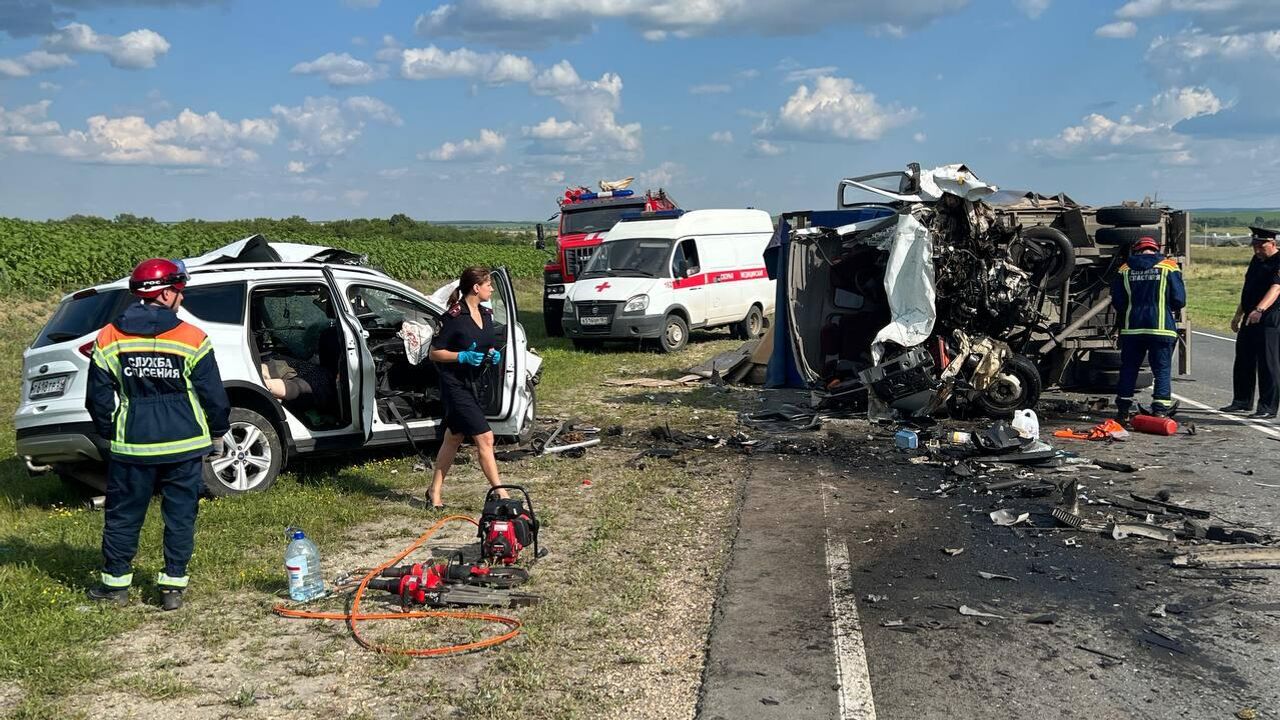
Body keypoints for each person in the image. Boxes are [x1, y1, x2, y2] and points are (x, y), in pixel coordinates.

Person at [85, 258, 231, 610]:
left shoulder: (109, 336)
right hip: (185, 444)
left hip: (132, 444)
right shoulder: (193, 337)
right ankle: (172, 589)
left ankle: (116, 586)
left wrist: (112, 430)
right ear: (166, 294)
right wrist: (218, 429)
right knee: (179, 516)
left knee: (123, 516)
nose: (181, 297)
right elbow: (212, 393)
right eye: (180, 291)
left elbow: (98, 398)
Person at [426, 267, 507, 509]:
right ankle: (501, 493)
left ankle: (434, 492)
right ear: (476, 287)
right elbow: (434, 353)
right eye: (488, 284)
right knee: (485, 437)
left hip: (477, 383)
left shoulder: (486, 314)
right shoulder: (453, 317)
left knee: (454, 437)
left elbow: (486, 345)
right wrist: (460, 356)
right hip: (455, 384)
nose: (491, 289)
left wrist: (491, 356)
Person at [1110, 236, 1186, 419]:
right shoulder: (1169, 266)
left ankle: (1123, 410)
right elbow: (1179, 300)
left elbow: (1118, 302)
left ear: (1136, 250)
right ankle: (1160, 409)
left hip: (1132, 328)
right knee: (1161, 369)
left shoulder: (1124, 269)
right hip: (1161, 328)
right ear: (1156, 249)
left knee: (1129, 368)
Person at [1220, 227, 1280, 419]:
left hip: (1270, 317)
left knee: (1268, 363)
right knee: (1243, 359)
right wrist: (1239, 314)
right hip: (1250, 316)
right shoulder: (1256, 260)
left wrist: (1260, 310)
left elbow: (1276, 288)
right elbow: (1249, 289)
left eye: (1260, 245)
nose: (1256, 249)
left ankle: (1267, 407)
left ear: (1272, 243)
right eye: (1254, 245)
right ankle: (1242, 400)